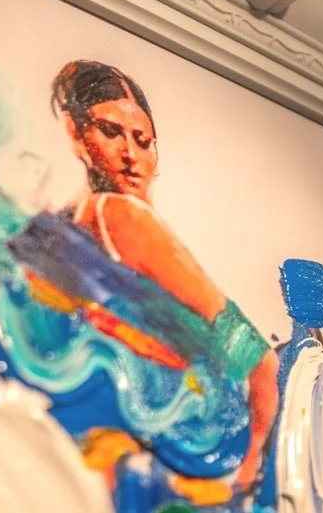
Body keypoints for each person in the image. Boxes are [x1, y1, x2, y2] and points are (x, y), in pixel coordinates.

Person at [49, 59, 279, 492]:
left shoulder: (66, 221)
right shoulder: (122, 215)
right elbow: (258, 359)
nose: (130, 156)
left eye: (143, 141)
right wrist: (251, 464)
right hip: (174, 446)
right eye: (111, 132)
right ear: (75, 133)